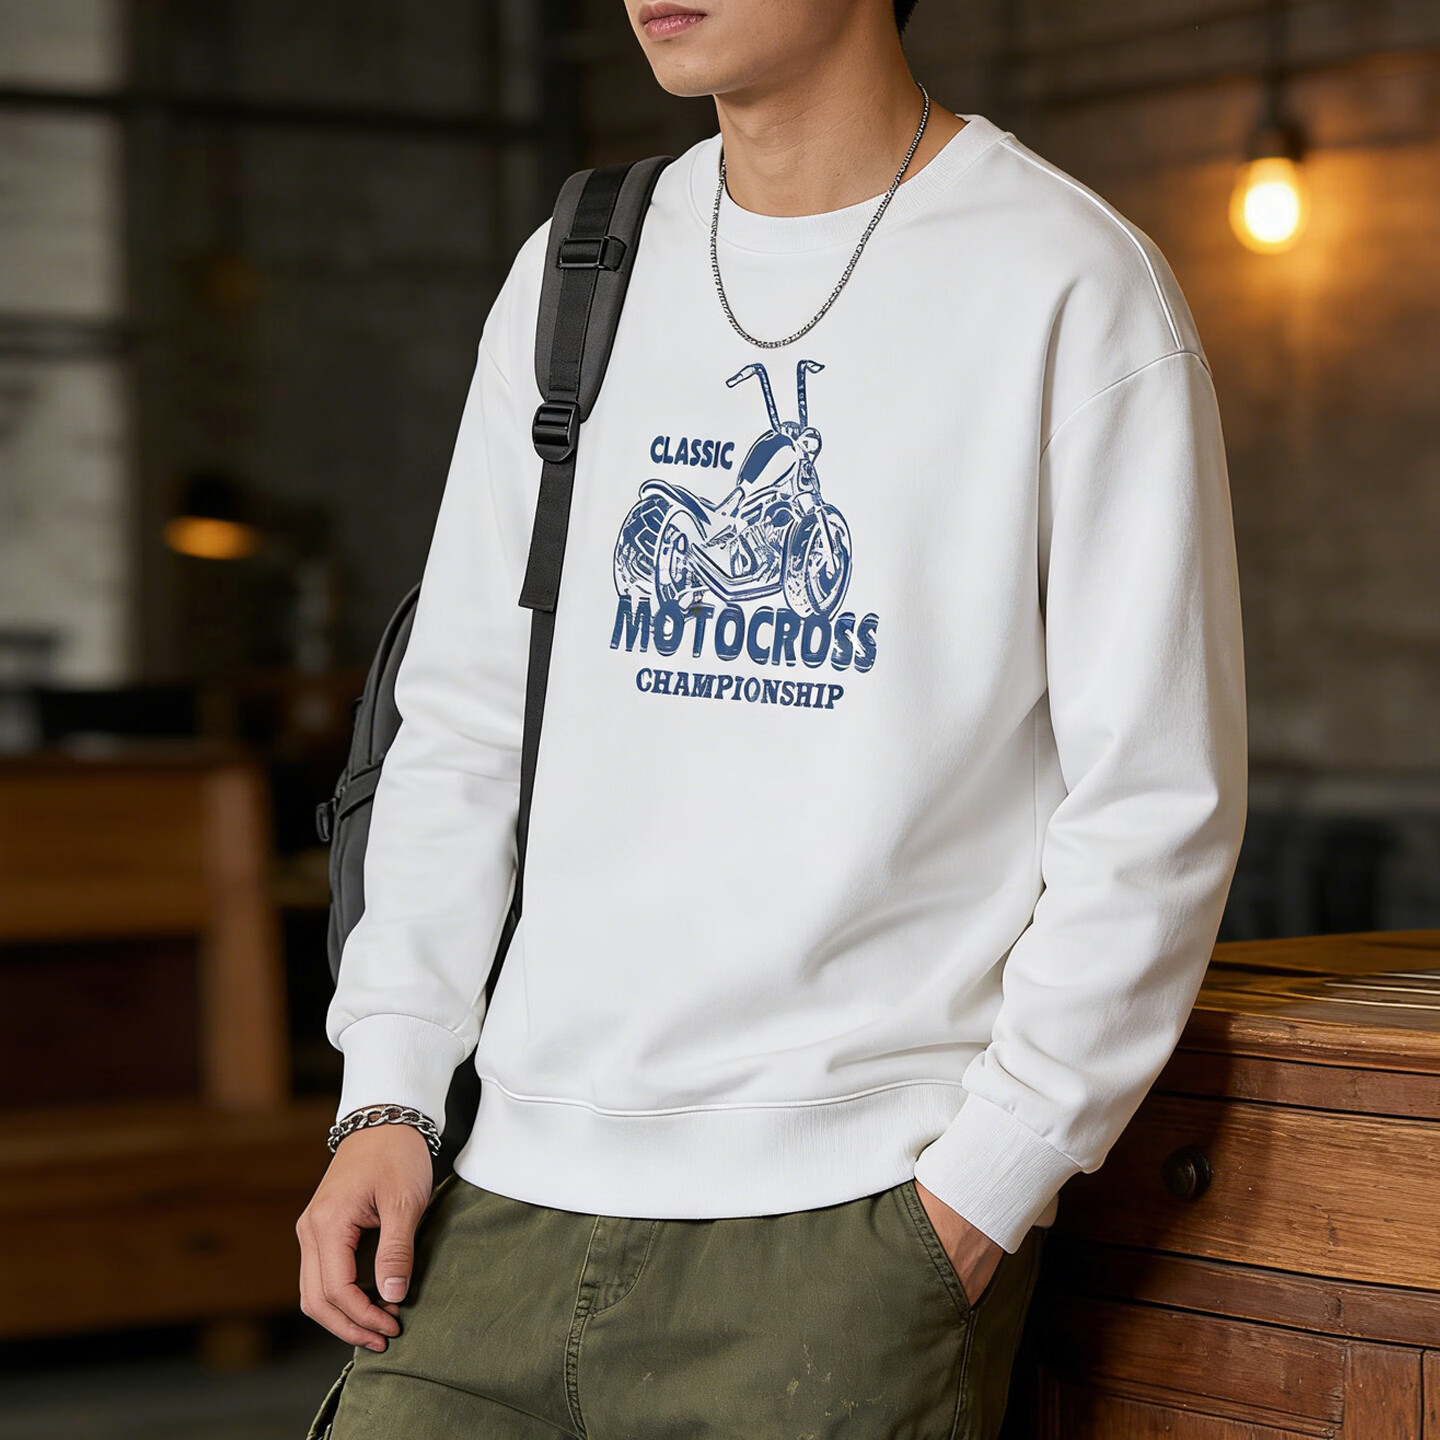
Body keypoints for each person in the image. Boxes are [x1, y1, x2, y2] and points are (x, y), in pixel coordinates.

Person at [297, 0, 1247, 1434]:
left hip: (846, 1231)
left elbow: (1155, 801)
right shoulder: (579, 268)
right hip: (492, 1201)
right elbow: (465, 717)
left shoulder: (1066, 282)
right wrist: (389, 1089)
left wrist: (985, 1186)